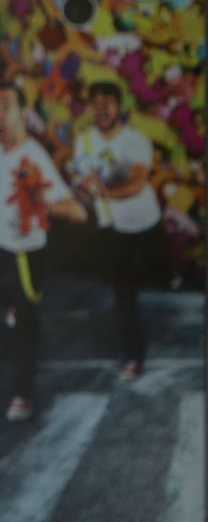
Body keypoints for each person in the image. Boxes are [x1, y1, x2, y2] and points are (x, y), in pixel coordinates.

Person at [0, 83, 88, 421]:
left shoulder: (35, 159)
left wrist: (39, 197)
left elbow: (77, 211)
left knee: (26, 329)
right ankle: (11, 308)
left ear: (22, 114)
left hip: (25, 253)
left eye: (5, 107)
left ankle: (22, 396)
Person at [69, 77, 166, 382]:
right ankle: (133, 357)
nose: (101, 109)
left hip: (146, 221)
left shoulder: (135, 140)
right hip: (114, 226)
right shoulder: (83, 142)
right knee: (124, 293)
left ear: (119, 108)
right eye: (95, 104)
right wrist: (83, 192)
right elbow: (85, 189)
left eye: (107, 103)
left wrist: (105, 192)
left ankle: (167, 273)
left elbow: (137, 182)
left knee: (162, 276)